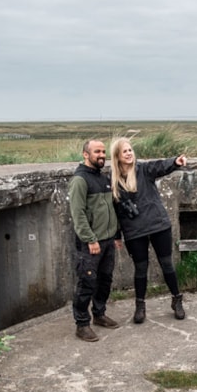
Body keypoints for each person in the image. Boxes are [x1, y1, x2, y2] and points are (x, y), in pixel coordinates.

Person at [109, 137, 187, 323]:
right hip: (134, 231)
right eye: (125, 151)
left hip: (158, 225)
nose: (129, 153)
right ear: (117, 157)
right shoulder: (113, 182)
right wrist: (116, 235)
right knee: (141, 268)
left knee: (166, 264)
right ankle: (140, 305)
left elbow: (160, 166)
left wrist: (175, 162)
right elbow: (116, 212)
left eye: (130, 150)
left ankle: (177, 300)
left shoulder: (143, 170)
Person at [68, 139, 123, 342]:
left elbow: (111, 209)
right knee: (87, 282)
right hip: (91, 243)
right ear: (85, 154)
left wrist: (116, 235)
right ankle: (82, 324)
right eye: (96, 152)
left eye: (103, 151)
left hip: (108, 240)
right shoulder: (80, 180)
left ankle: (99, 314)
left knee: (105, 281)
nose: (101, 155)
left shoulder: (103, 178)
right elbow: (78, 214)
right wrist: (90, 239)